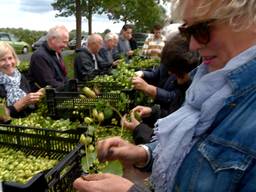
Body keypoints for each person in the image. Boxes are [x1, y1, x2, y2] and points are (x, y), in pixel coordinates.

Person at [73, 0, 256, 192]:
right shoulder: (211, 82)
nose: (192, 45)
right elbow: (193, 149)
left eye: (201, 29)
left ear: (249, 19)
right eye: (187, 31)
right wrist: (143, 153)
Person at [122, 33, 199, 144]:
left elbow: (171, 136)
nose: (169, 73)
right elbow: (172, 112)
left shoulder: (193, 90)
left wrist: (138, 128)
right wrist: (152, 111)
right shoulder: (173, 63)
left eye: (176, 74)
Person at [0, 42, 44, 119]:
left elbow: (29, 96)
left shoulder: (19, 76)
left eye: (10, 58)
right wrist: (21, 104)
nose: (8, 63)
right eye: (2, 60)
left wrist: (37, 96)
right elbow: (1, 117)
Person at [28, 25, 69, 91]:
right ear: (53, 39)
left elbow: (63, 76)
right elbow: (48, 83)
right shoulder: (39, 56)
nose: (66, 46)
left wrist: (70, 85)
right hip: (47, 97)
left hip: (60, 92)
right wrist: (69, 88)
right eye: (64, 42)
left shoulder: (56, 52)